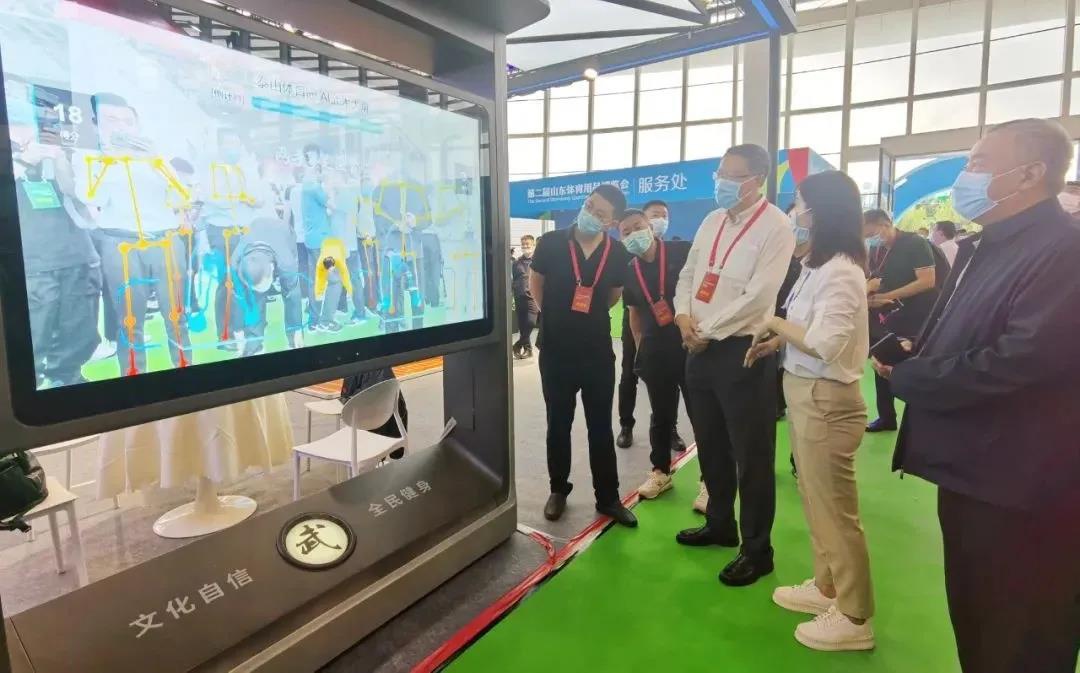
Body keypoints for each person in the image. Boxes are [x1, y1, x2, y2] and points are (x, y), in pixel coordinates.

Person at [877, 118, 1080, 673]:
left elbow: (1024, 358)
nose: (965, 175)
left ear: (1031, 173)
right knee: (979, 621)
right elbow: (980, 329)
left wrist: (912, 378)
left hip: (1022, 487)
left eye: (979, 162)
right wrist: (919, 349)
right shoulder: (990, 245)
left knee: (1020, 635)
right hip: (975, 473)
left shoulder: (1063, 250)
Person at [747, 171, 875, 651]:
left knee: (836, 511)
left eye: (800, 204)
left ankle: (855, 616)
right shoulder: (816, 266)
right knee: (815, 500)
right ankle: (827, 587)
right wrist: (777, 341)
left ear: (822, 211)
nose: (796, 212)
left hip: (827, 399)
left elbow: (824, 343)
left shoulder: (841, 270)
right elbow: (810, 328)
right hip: (805, 392)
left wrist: (773, 322)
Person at [673, 144, 795, 587]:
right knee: (710, 443)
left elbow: (760, 296)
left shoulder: (776, 226)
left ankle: (757, 550)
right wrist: (683, 317)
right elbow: (689, 274)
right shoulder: (712, 220)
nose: (722, 183)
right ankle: (720, 523)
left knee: (752, 454)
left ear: (757, 180)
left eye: (732, 175)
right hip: (698, 346)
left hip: (742, 350)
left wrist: (706, 329)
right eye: (720, 173)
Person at [530, 184, 637, 527]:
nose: (590, 214)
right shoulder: (551, 243)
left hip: (597, 353)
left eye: (600, 213)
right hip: (556, 352)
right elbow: (536, 284)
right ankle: (558, 489)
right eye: (589, 205)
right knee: (558, 424)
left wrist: (585, 318)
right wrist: (555, 317)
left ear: (611, 222)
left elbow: (613, 296)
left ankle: (608, 497)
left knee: (600, 427)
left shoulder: (617, 252)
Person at [77, 92, 192, 375]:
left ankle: (186, 375)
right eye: (111, 120)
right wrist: (111, 161)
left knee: (176, 316)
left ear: (137, 126)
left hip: (166, 242)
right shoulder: (90, 159)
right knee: (129, 321)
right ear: (96, 124)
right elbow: (91, 196)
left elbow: (183, 196)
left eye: (127, 121)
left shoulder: (155, 158)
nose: (121, 127)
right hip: (120, 244)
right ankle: (134, 382)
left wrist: (157, 162)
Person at [10, 116, 101, 387]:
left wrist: (60, 158)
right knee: (33, 336)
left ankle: (68, 380)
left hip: (78, 254)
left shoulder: (64, 152)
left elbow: (79, 194)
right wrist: (24, 160)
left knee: (80, 332)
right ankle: (33, 387)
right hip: (32, 263)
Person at [618, 210, 696, 500]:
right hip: (656, 351)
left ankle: (711, 480)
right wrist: (642, 348)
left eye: (637, 227)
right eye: (626, 232)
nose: (633, 235)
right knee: (661, 415)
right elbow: (634, 314)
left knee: (702, 413)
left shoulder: (682, 251)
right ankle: (660, 472)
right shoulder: (629, 270)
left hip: (691, 345)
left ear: (650, 226)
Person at [862, 209, 937, 432]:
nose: (871, 239)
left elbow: (927, 281)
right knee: (880, 360)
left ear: (885, 224)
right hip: (887, 315)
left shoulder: (915, 243)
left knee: (914, 364)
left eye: (872, 234)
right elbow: (877, 277)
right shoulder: (877, 249)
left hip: (917, 316)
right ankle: (886, 417)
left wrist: (889, 296)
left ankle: (921, 420)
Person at [228, 217, 304, 356]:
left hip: (284, 232)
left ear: (272, 267)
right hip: (255, 227)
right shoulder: (235, 264)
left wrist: (297, 329)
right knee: (254, 299)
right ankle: (255, 345)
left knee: (289, 290)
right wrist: (238, 330)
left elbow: (293, 296)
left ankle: (293, 342)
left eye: (263, 285)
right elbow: (238, 297)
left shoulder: (286, 262)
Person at [511, 234, 539, 359]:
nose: (525, 246)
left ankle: (518, 344)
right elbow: (514, 278)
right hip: (519, 296)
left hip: (533, 297)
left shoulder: (538, 261)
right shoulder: (516, 262)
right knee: (522, 325)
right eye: (523, 244)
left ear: (533, 245)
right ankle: (528, 350)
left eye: (527, 244)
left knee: (531, 322)